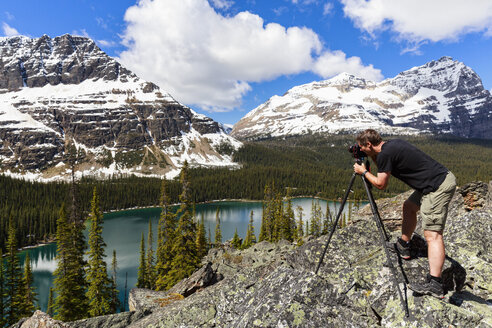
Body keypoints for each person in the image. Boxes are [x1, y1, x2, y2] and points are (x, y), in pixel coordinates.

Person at [353, 129, 456, 298]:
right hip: (434, 182)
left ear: (369, 144)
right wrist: (369, 158)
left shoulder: (385, 155)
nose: (360, 150)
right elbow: (384, 164)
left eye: (362, 147)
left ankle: (435, 284)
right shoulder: (391, 145)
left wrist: (363, 172)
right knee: (409, 206)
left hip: (437, 187)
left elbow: (380, 184)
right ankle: (404, 245)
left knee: (433, 235)